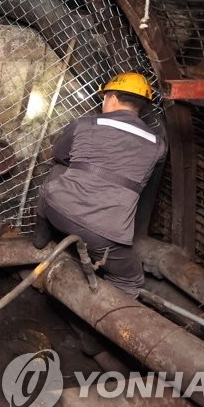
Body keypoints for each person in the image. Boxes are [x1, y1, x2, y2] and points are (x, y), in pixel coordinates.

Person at [34, 72, 167, 297]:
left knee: (58, 170)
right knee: (129, 281)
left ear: (112, 98)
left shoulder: (85, 123)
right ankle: (111, 314)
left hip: (57, 210)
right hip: (105, 235)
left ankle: (40, 236)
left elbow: (59, 155)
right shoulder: (158, 146)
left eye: (104, 97)